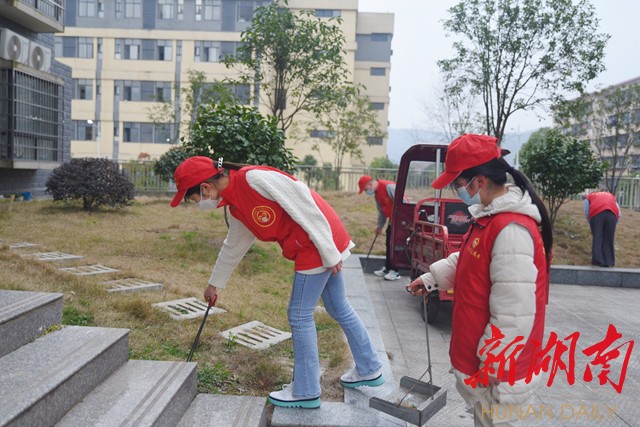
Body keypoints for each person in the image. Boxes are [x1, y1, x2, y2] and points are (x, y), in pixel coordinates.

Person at [170, 156, 383, 409]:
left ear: (205, 188)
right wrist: (214, 284)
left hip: (316, 240)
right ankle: (369, 368)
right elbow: (234, 245)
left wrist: (329, 251)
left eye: (193, 199)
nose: (197, 204)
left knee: (299, 314)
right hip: (317, 241)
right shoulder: (236, 204)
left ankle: (305, 391)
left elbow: (303, 202)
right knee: (338, 306)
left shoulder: (253, 179)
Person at [406, 134, 553, 427]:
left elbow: (514, 314)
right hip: (490, 376)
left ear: (479, 181)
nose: (456, 191)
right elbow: (469, 261)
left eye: (457, 185)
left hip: (501, 380)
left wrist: (492, 369)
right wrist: (432, 277)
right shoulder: (490, 220)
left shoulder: (511, 230)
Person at [358, 175, 401, 280]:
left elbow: (402, 201)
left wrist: (400, 220)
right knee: (388, 243)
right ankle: (388, 268)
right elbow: (382, 212)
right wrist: (379, 226)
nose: (366, 192)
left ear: (370, 184)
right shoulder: (377, 194)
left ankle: (395, 271)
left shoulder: (388, 187)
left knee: (394, 244)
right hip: (392, 220)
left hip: (400, 220)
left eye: (366, 189)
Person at [584, 190, 621, 267]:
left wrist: (591, 222)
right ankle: (609, 261)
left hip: (597, 213)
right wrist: (615, 223)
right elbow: (619, 212)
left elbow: (586, 211)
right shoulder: (611, 196)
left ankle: (598, 261)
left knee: (597, 237)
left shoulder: (589, 197)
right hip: (612, 214)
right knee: (609, 239)